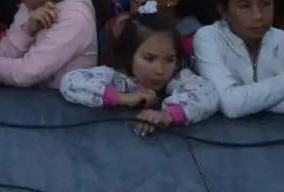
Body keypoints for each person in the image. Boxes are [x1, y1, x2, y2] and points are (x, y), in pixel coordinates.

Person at [59, 15, 219, 134]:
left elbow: (208, 93)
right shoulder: (120, 79)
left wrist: (167, 115)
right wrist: (125, 98)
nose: (160, 70)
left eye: (169, 59)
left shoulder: (178, 78)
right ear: (129, 55)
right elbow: (70, 82)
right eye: (149, 58)